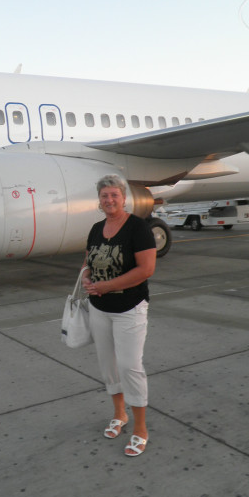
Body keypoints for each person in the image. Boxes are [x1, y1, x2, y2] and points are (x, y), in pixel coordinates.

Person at [82, 175, 157, 457]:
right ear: (99, 200)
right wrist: (86, 277)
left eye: (114, 195)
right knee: (109, 367)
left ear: (124, 198)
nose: (109, 200)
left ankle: (140, 429)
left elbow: (146, 269)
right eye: (104, 196)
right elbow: (88, 261)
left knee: (130, 367)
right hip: (99, 308)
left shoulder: (138, 227)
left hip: (129, 308)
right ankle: (119, 414)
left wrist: (107, 286)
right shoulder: (96, 228)